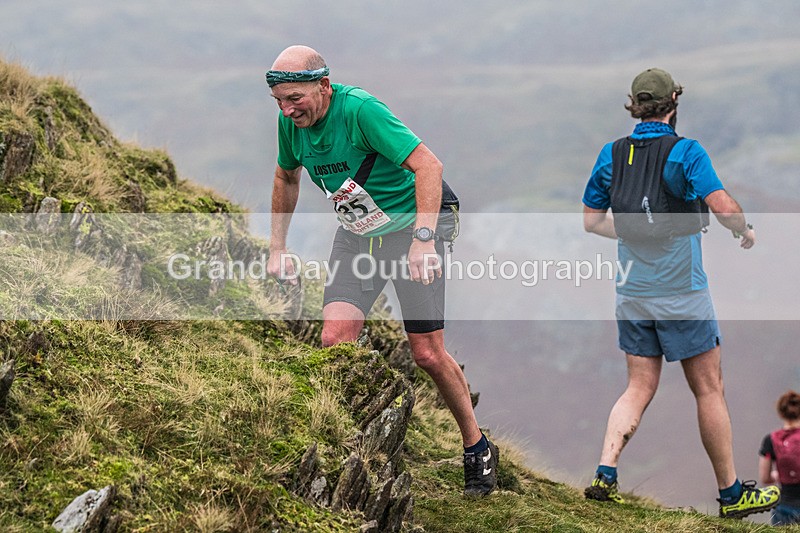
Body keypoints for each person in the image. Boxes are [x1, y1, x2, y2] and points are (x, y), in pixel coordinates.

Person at [265, 45, 498, 496]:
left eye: (296, 98)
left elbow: (428, 165)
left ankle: (476, 445)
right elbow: (285, 177)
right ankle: (338, 441)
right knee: (335, 338)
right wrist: (277, 247)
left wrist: (423, 242)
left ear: (324, 86)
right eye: (279, 102)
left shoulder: (361, 111)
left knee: (427, 354)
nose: (288, 110)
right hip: (358, 231)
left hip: (414, 225)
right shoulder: (288, 124)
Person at [581, 67, 780, 518]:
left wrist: (635, 233)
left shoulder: (611, 155)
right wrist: (742, 230)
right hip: (682, 292)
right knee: (709, 389)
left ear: (634, 104)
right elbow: (722, 205)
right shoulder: (686, 153)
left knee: (637, 385)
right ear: (674, 100)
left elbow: (591, 221)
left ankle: (605, 472)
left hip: (632, 291)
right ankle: (731, 495)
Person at [759, 390, 800, 526]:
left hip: (785, 508)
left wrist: (777, 475)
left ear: (781, 413)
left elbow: (765, 478)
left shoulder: (771, 439)